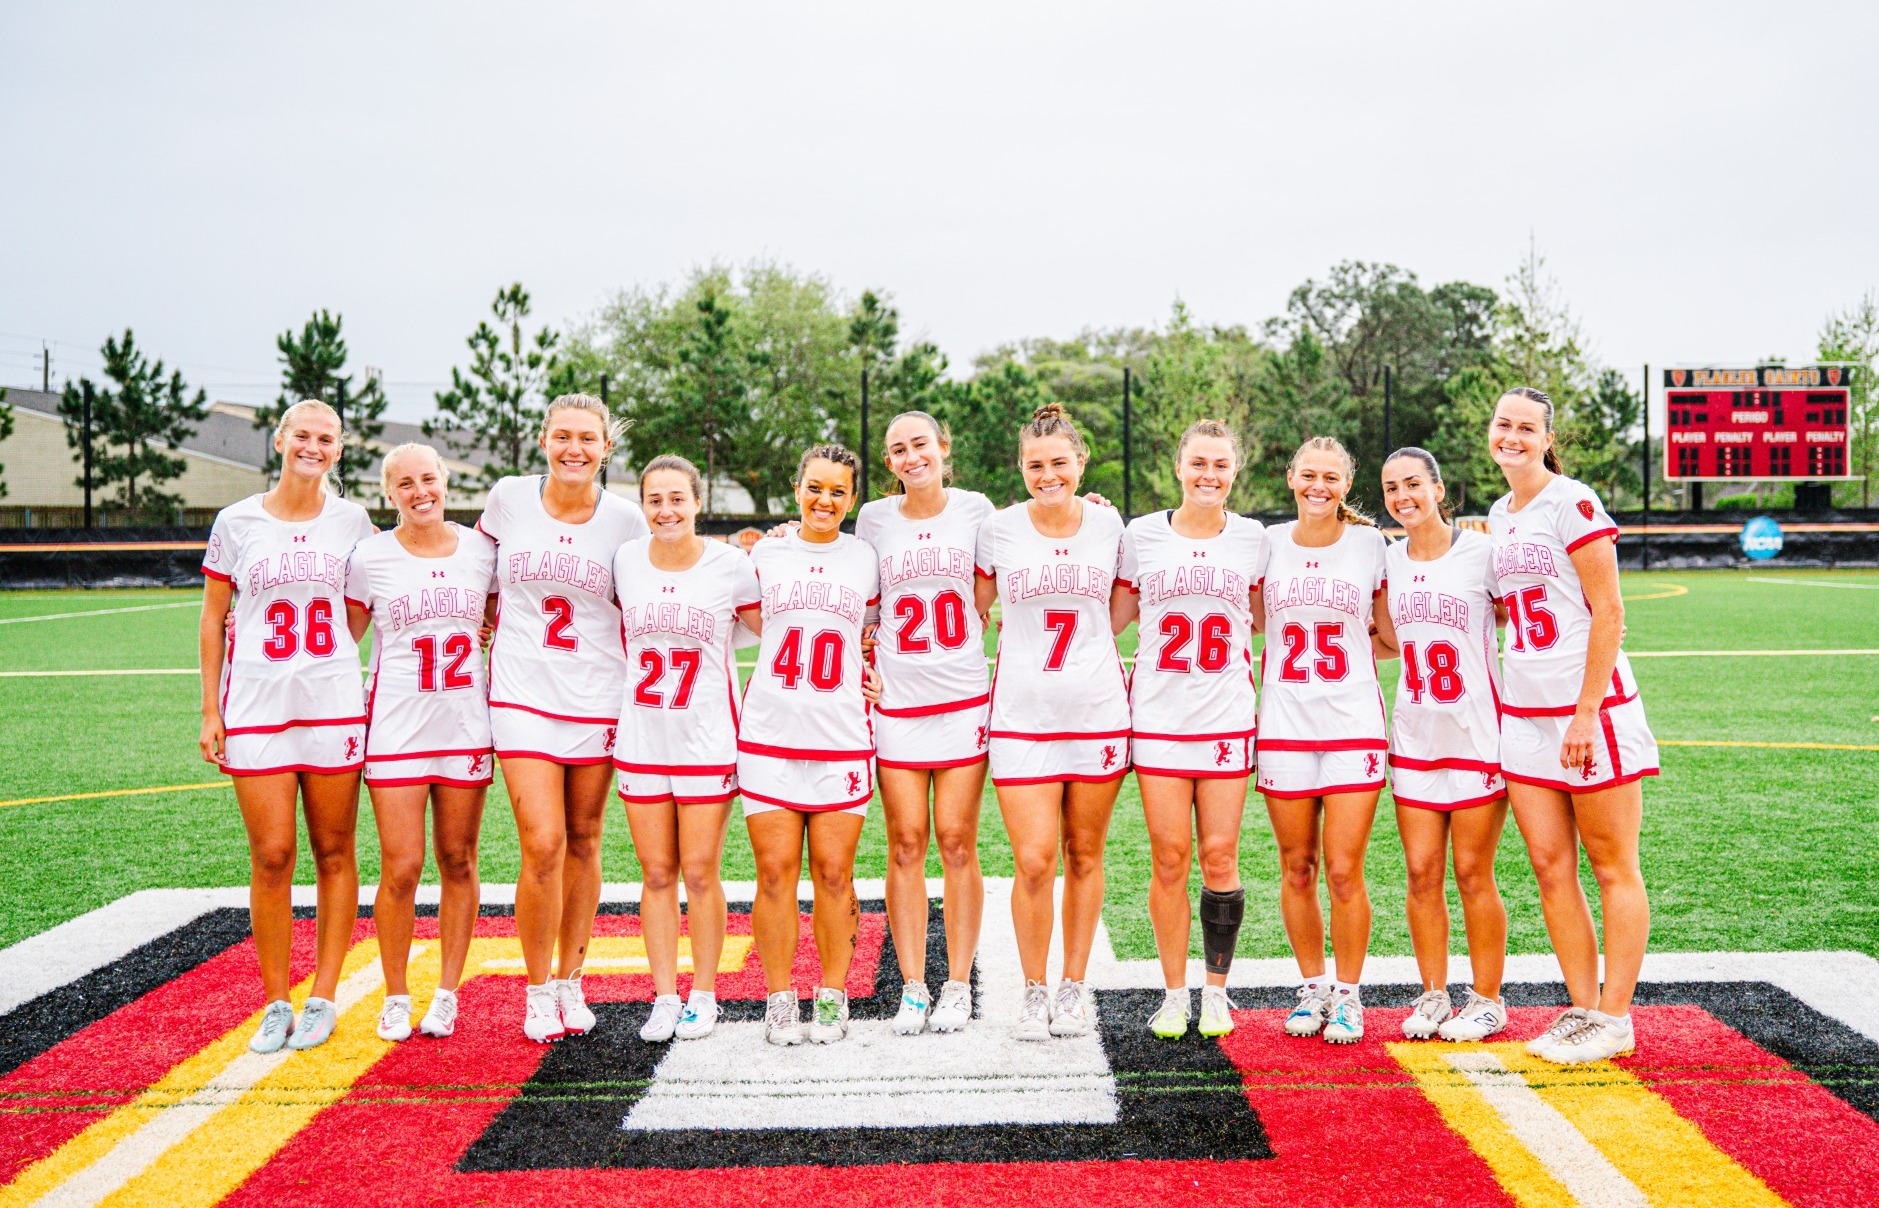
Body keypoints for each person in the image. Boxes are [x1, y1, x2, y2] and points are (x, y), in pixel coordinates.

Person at [198, 398, 375, 1053]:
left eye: (326, 438)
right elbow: (214, 616)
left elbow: (358, 610)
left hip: (331, 707)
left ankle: (323, 995)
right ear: (280, 440)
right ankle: (276, 999)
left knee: (334, 852)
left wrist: (326, 661)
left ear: (337, 449)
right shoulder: (236, 521)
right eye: (303, 434)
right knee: (272, 856)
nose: (314, 446)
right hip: (257, 708)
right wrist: (211, 708)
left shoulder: (353, 521)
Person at [1488, 386, 1658, 1064]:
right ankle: (1583, 1006)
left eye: (1526, 428)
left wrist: (1585, 712)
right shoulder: (1500, 513)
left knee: (1611, 864)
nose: (1512, 437)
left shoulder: (1572, 499)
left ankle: (1615, 1015)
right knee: (1548, 865)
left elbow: (1608, 611)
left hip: (1587, 709)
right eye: (1503, 425)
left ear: (1545, 438)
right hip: (1524, 712)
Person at [477, 394, 648, 1042]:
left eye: (587, 439)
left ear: (606, 447)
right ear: (543, 439)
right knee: (541, 842)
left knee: (582, 840)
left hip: (599, 694)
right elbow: (474, 570)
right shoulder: (508, 499)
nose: (573, 449)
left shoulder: (626, 520)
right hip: (522, 694)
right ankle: (537, 988)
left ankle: (573, 978)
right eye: (562, 436)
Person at [974, 403, 1128, 1042]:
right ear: (1022, 468)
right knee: (1034, 861)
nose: (1048, 475)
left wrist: (1085, 658)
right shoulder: (999, 528)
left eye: (1059, 463)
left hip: (1095, 714)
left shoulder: (1110, 523)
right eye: (1036, 465)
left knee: (1084, 854)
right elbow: (972, 610)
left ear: (1080, 463)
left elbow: (1119, 610)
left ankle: (1073, 984)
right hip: (1020, 716)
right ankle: (1033, 989)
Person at [1110, 419, 1266, 1040]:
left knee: (1220, 857)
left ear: (1235, 472)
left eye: (1220, 465)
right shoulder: (1140, 534)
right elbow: (1111, 616)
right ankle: (1175, 992)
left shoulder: (1255, 537)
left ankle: (1217, 991)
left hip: (1226, 714)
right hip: (1159, 718)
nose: (1208, 475)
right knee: (1170, 860)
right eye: (1198, 463)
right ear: (1178, 467)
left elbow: (1271, 609)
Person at [344, 443, 497, 1042]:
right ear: (389, 494)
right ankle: (396, 993)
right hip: (397, 727)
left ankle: (448, 992)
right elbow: (340, 639)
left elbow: (506, 612)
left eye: (428, 479)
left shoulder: (481, 551)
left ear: (445, 481)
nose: (419, 492)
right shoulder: (370, 557)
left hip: (463, 726)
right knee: (402, 867)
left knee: (457, 860)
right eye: (404, 484)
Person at [856, 411, 995, 1036]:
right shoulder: (873, 519)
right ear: (889, 463)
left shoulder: (976, 510)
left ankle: (959, 982)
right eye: (897, 450)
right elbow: (862, 603)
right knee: (906, 842)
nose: (911, 457)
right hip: (899, 702)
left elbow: (989, 594)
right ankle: (914, 984)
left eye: (920, 445)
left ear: (943, 447)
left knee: (957, 842)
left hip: (962, 695)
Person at [738, 444, 881, 1045]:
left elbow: (875, 631)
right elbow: (746, 619)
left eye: (838, 491)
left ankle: (830, 992)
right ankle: (777, 997)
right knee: (773, 874)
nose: (825, 500)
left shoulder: (867, 557)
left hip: (841, 733)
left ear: (852, 499)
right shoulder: (763, 554)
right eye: (815, 487)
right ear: (796, 488)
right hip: (770, 733)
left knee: (834, 873)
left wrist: (871, 665)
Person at [1256, 436, 1397, 1045]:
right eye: (1309, 474)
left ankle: (1347, 992)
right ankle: (1311, 985)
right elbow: (1254, 618)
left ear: (1347, 483)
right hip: (1285, 723)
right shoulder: (1263, 543)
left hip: (1351, 725)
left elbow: (1392, 635)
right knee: (1297, 867)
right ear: (1291, 477)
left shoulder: (1370, 545)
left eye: (1332, 477)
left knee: (1343, 870)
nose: (1319, 486)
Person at [614, 455, 759, 1043]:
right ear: (642, 505)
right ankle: (665, 995)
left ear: (697, 503)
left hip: (705, 737)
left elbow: (767, 630)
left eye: (677, 499)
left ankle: (704, 992)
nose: (666, 510)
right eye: (655, 500)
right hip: (644, 735)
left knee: (699, 872)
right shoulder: (625, 559)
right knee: (655, 874)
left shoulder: (730, 565)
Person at [1375, 447, 1510, 1042]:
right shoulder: (1387, 560)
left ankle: (1487, 999)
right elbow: (1380, 636)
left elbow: (1517, 616)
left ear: (1437, 488)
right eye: (1390, 488)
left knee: (1473, 872)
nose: (1403, 497)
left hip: (1476, 734)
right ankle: (1433, 993)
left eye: (1413, 485)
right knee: (1421, 871)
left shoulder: (1481, 552)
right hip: (1415, 734)